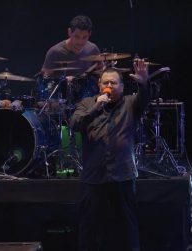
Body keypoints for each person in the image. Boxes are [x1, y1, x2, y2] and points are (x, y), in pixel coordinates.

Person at [69, 60, 150, 251]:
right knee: (88, 227)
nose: (109, 86)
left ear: (122, 87)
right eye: (105, 83)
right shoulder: (87, 103)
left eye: (113, 83)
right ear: (99, 85)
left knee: (126, 225)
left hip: (122, 175)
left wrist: (144, 84)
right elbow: (75, 124)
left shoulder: (130, 103)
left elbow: (144, 100)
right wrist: (96, 107)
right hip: (93, 176)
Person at [39, 15, 102, 106]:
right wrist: (63, 80)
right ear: (69, 32)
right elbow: (44, 80)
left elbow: (100, 72)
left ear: (90, 34)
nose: (80, 42)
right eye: (77, 37)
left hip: (85, 99)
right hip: (61, 100)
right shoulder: (55, 52)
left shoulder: (93, 49)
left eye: (85, 37)